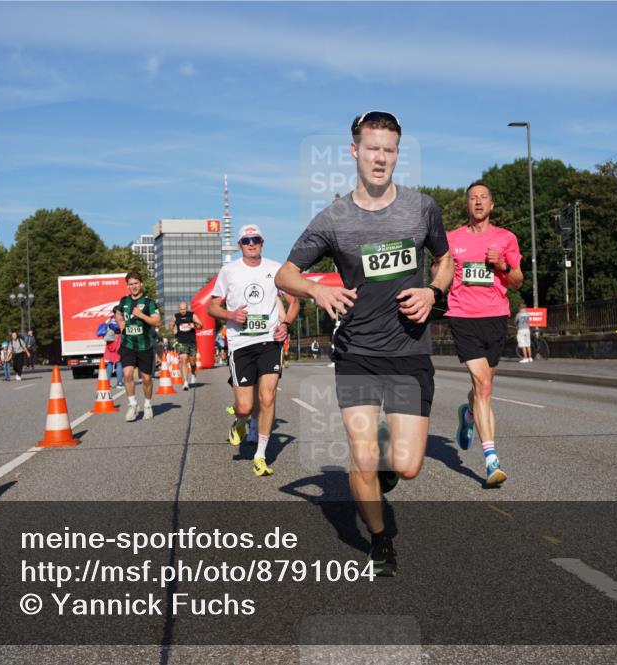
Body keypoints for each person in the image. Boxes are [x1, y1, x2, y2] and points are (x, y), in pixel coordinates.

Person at [276, 111, 452, 576]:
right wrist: (316, 288)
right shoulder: (333, 217)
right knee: (362, 454)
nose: (380, 158)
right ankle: (379, 541)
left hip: (410, 351)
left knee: (408, 465)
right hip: (356, 352)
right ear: (354, 151)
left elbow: (446, 260)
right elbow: (285, 273)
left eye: (389, 150)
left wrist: (433, 291)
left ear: (398, 153)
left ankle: (387, 463)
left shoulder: (422, 208)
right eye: (372, 148)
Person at [445, 181, 524, 487]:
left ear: (491, 205)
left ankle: (468, 415)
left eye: (483, 198)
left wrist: (502, 264)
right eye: (473, 198)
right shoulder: (452, 239)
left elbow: (517, 281)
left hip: (495, 317)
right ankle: (492, 462)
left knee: (483, 389)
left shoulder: (506, 238)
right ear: (467, 206)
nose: (478, 202)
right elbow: (441, 272)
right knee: (485, 386)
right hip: (463, 317)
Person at [210, 224, 298, 477]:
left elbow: (294, 302)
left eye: (255, 239)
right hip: (240, 344)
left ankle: (260, 455)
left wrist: (285, 324)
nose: (251, 243)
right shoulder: (229, 271)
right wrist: (230, 314)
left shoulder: (275, 269)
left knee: (268, 397)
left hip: (270, 341)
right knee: (246, 407)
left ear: (262, 242)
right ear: (239, 245)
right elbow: (212, 308)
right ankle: (240, 421)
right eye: (246, 240)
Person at [114, 270, 161, 422]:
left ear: (141, 284)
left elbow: (157, 321)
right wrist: (120, 321)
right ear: (127, 286)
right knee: (127, 374)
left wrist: (141, 315)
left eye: (136, 283)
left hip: (145, 345)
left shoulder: (149, 302)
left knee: (146, 379)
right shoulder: (124, 301)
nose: (133, 286)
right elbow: (118, 312)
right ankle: (132, 405)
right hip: (128, 344)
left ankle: (147, 405)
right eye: (130, 284)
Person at [171, 302, 203, 390]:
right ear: (179, 309)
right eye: (181, 309)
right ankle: (185, 382)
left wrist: (194, 326)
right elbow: (171, 325)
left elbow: (201, 325)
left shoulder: (192, 315)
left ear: (187, 308)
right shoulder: (175, 316)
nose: (183, 311)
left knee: (192, 361)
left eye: (184, 309)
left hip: (191, 342)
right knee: (183, 359)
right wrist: (173, 329)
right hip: (181, 341)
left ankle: (193, 372)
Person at [100, 309, 123, 387]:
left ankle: (107, 383)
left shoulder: (109, 320)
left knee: (110, 363)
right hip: (118, 342)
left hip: (110, 343)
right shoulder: (120, 319)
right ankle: (119, 383)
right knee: (119, 363)